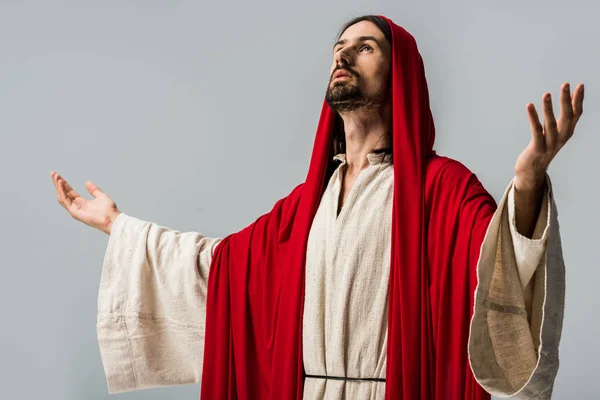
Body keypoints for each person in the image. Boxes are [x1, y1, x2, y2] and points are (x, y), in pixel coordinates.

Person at [51, 14, 584, 400]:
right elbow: (220, 270)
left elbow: (499, 271)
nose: (343, 54)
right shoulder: (304, 208)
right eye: (339, 46)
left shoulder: (440, 189)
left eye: (366, 47)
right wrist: (117, 225)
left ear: (400, 77)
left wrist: (528, 182)